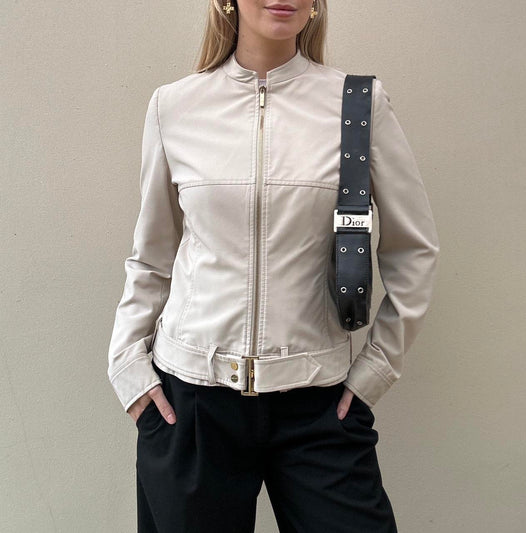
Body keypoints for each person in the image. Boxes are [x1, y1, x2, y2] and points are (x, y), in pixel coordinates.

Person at [107, 1, 440, 531]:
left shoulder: (357, 104)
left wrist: (375, 370)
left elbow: (413, 249)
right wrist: (127, 367)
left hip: (318, 406)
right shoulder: (175, 106)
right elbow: (152, 256)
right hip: (191, 403)